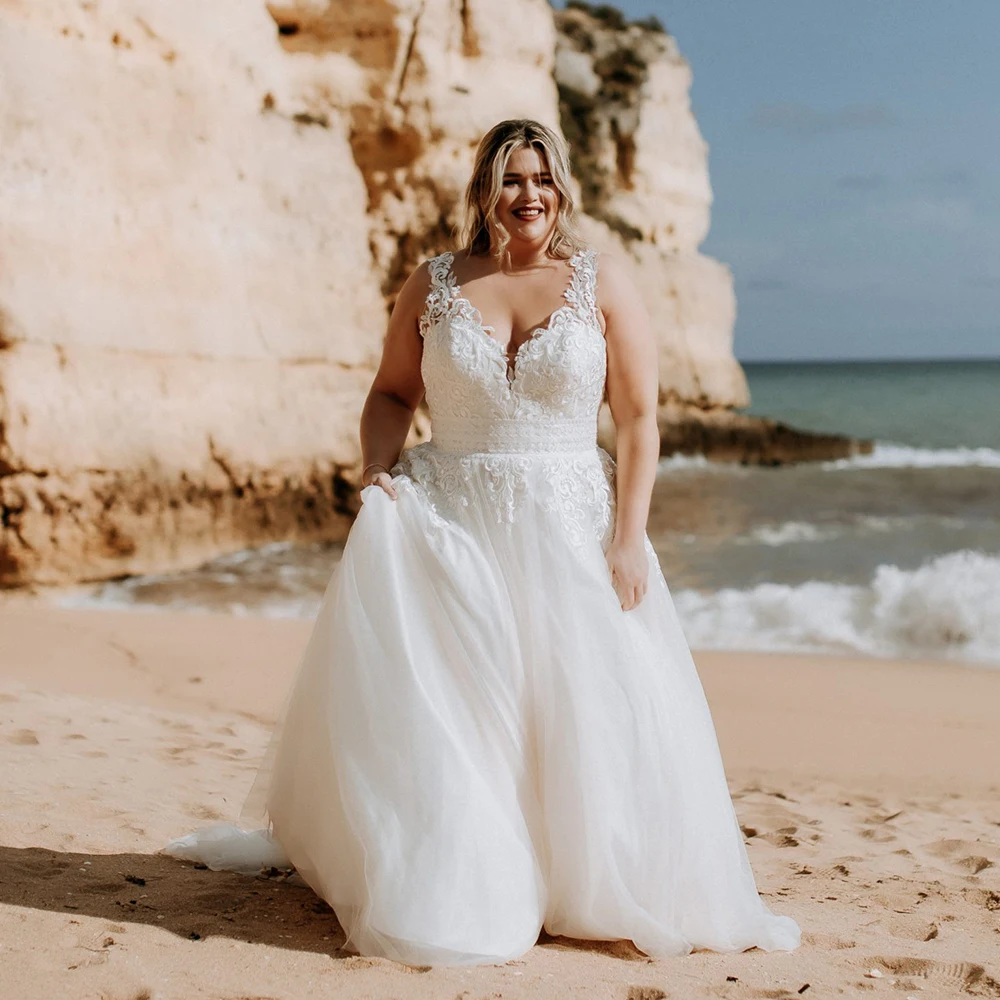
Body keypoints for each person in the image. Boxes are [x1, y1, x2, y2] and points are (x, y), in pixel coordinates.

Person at [165, 118, 801, 966]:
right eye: (509, 179)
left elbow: (641, 418)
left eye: (540, 177)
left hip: (572, 525)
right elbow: (391, 394)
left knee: (577, 707)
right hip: (449, 521)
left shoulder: (600, 281)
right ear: (483, 191)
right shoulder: (431, 283)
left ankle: (571, 877)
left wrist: (629, 537)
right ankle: (474, 877)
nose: (527, 194)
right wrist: (376, 469)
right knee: (464, 717)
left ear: (562, 187)